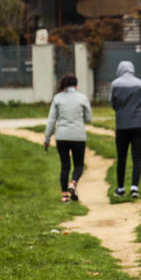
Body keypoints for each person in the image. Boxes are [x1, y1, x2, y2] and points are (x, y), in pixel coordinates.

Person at [43, 74, 92, 203]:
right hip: (78, 136)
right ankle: (73, 183)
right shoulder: (82, 98)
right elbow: (89, 119)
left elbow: (51, 120)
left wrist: (47, 139)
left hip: (62, 136)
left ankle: (64, 196)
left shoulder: (58, 98)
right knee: (79, 164)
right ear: (76, 85)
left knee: (65, 165)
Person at [110, 61, 141, 198]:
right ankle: (134, 187)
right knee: (137, 157)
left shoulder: (115, 84)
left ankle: (120, 188)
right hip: (139, 125)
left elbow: (113, 103)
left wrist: (121, 112)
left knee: (122, 156)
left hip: (122, 125)